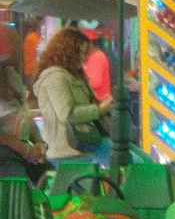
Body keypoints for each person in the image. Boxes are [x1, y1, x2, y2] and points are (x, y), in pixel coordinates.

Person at [32, 27, 112, 164]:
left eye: (84, 52)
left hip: (87, 140)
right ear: (67, 51)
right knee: (135, 164)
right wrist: (99, 110)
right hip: (68, 146)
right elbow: (67, 114)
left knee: (139, 162)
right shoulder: (55, 77)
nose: (83, 57)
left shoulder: (75, 74)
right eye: (79, 52)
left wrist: (100, 105)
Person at [0, 38, 46, 182]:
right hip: (6, 153)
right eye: (14, 43)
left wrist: (39, 143)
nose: (20, 49)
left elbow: (25, 114)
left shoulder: (11, 75)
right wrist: (26, 150)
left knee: (56, 182)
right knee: (20, 196)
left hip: (21, 150)